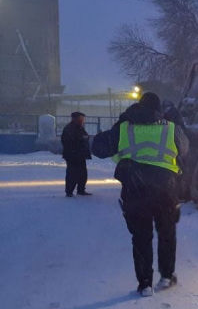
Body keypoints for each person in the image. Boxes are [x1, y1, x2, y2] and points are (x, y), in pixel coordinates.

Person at [92, 92, 189, 297]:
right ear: (159, 109)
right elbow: (185, 149)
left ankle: (145, 284)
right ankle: (167, 275)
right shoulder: (170, 129)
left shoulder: (124, 128)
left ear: (138, 107)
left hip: (135, 190)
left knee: (141, 237)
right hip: (166, 190)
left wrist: (117, 126)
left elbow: (98, 148)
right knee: (167, 233)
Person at [60, 112, 92, 197]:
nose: (83, 120)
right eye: (81, 118)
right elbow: (67, 141)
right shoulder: (70, 128)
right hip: (72, 155)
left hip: (80, 155)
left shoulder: (80, 128)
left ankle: (81, 190)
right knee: (72, 173)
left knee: (82, 173)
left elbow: (85, 137)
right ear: (76, 118)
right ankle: (69, 191)